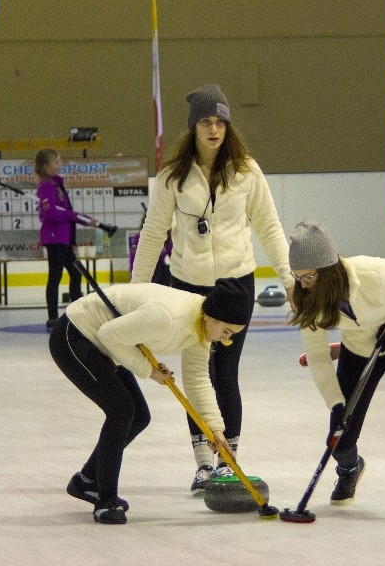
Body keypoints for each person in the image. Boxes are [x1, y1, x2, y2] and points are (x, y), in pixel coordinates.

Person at [131, 84, 294, 494]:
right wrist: (135, 291)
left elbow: (270, 227)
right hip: (188, 286)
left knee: (226, 373)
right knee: (194, 371)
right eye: (206, 121)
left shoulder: (247, 172)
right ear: (193, 127)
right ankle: (204, 463)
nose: (214, 128)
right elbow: (153, 234)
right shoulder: (172, 177)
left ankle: (228, 459)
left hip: (237, 284)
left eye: (220, 121)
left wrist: (289, 279)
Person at [49, 277, 253, 524]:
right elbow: (108, 334)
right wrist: (150, 370)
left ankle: (87, 480)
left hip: (106, 343)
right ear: (212, 317)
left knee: (139, 416)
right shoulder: (168, 317)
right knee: (121, 410)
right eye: (226, 332)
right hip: (77, 334)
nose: (225, 339)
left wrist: (215, 429)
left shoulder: (201, 326)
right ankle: (106, 499)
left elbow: (198, 379)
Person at [287, 220, 385, 519]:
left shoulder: (373, 275)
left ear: (328, 269)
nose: (303, 283)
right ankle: (350, 468)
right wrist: (334, 403)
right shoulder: (306, 299)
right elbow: (318, 356)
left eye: (308, 276)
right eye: (298, 276)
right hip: (360, 349)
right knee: (341, 435)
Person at [35, 148, 97, 330]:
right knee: (56, 275)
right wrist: (70, 215)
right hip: (55, 238)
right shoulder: (46, 186)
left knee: (74, 273)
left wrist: (82, 219)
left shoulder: (56, 184)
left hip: (64, 237)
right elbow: (49, 213)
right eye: (56, 162)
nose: (59, 164)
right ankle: (53, 317)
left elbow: (66, 211)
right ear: (46, 167)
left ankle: (75, 314)